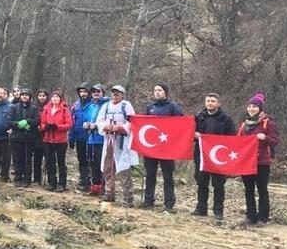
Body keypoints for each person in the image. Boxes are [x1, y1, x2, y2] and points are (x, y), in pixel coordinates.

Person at [191, 93, 236, 220]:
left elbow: (232, 137)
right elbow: (189, 134)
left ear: (218, 103)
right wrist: (194, 135)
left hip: (219, 158)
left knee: (218, 184)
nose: (210, 103)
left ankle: (218, 211)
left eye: (212, 101)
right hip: (201, 156)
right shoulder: (199, 117)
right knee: (201, 183)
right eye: (208, 101)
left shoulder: (226, 119)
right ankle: (201, 208)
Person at [141, 82, 184, 212]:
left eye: (159, 90)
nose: (157, 92)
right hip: (151, 148)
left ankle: (169, 203)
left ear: (165, 92)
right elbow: (144, 124)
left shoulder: (173, 107)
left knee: (168, 176)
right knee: (150, 175)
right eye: (155, 90)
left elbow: (181, 123)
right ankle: (148, 201)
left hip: (167, 148)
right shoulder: (150, 107)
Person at [239, 92, 279, 226]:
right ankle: (250, 216)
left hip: (262, 161)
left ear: (260, 108)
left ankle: (263, 217)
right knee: (248, 189)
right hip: (246, 162)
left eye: (254, 107)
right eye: (250, 106)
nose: (251, 109)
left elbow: (274, 141)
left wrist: (265, 138)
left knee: (262, 189)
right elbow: (237, 141)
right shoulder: (244, 125)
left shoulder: (268, 122)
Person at [96, 85, 138, 205]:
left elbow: (132, 121)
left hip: (121, 141)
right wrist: (105, 126)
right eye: (113, 92)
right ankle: (109, 193)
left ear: (122, 94)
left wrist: (120, 128)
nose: (115, 94)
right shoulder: (106, 106)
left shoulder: (126, 105)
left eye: (118, 93)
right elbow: (99, 121)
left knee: (124, 168)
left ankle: (128, 198)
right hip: (109, 140)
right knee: (107, 167)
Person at [7, 88, 41, 187]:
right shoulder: (14, 107)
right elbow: (9, 121)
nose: (24, 97)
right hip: (16, 137)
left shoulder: (34, 108)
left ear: (30, 97)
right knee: (17, 158)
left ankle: (27, 178)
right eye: (23, 95)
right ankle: (18, 178)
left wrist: (27, 121)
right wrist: (18, 124)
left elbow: (36, 121)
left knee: (27, 158)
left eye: (26, 95)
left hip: (29, 138)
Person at [40, 90, 72, 191]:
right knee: (50, 162)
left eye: (57, 97)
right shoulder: (46, 109)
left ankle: (62, 184)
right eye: (53, 97)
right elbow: (41, 123)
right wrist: (46, 126)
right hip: (48, 139)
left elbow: (69, 124)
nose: (55, 99)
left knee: (61, 162)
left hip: (60, 141)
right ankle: (51, 182)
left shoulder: (64, 110)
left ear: (60, 99)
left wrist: (57, 127)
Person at [82, 84, 108, 195]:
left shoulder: (107, 105)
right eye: (94, 92)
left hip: (101, 139)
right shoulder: (90, 106)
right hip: (90, 138)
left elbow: (107, 121)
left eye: (98, 91)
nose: (96, 94)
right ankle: (95, 187)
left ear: (102, 92)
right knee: (92, 163)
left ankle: (103, 187)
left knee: (101, 164)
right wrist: (85, 124)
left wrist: (96, 126)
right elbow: (86, 118)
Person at [68, 82, 92, 191]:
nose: (83, 94)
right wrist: (71, 138)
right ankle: (83, 180)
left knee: (91, 160)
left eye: (85, 91)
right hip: (79, 137)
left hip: (91, 137)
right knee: (81, 160)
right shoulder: (75, 106)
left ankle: (92, 181)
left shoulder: (93, 104)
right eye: (81, 91)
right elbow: (72, 122)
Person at [32, 88, 49, 185]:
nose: (41, 97)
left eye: (43, 96)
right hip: (36, 135)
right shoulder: (34, 106)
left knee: (48, 158)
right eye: (40, 95)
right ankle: (36, 178)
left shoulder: (50, 106)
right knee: (37, 158)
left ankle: (46, 178)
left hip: (47, 134)